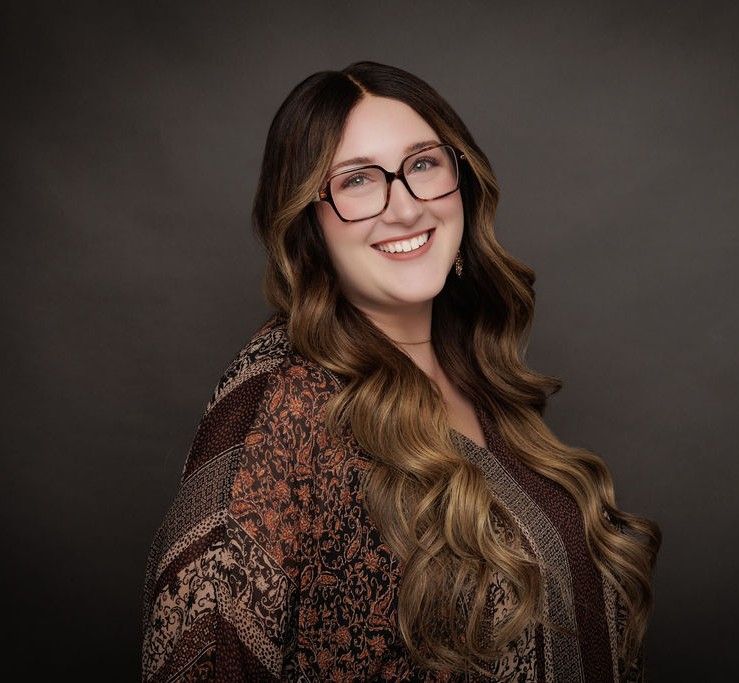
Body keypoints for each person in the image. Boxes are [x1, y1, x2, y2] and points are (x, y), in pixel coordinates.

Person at [140, 61, 661, 682]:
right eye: (358, 181)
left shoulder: (479, 376)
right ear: (310, 220)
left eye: (422, 165)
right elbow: (197, 657)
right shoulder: (282, 409)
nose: (406, 208)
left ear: (460, 178)